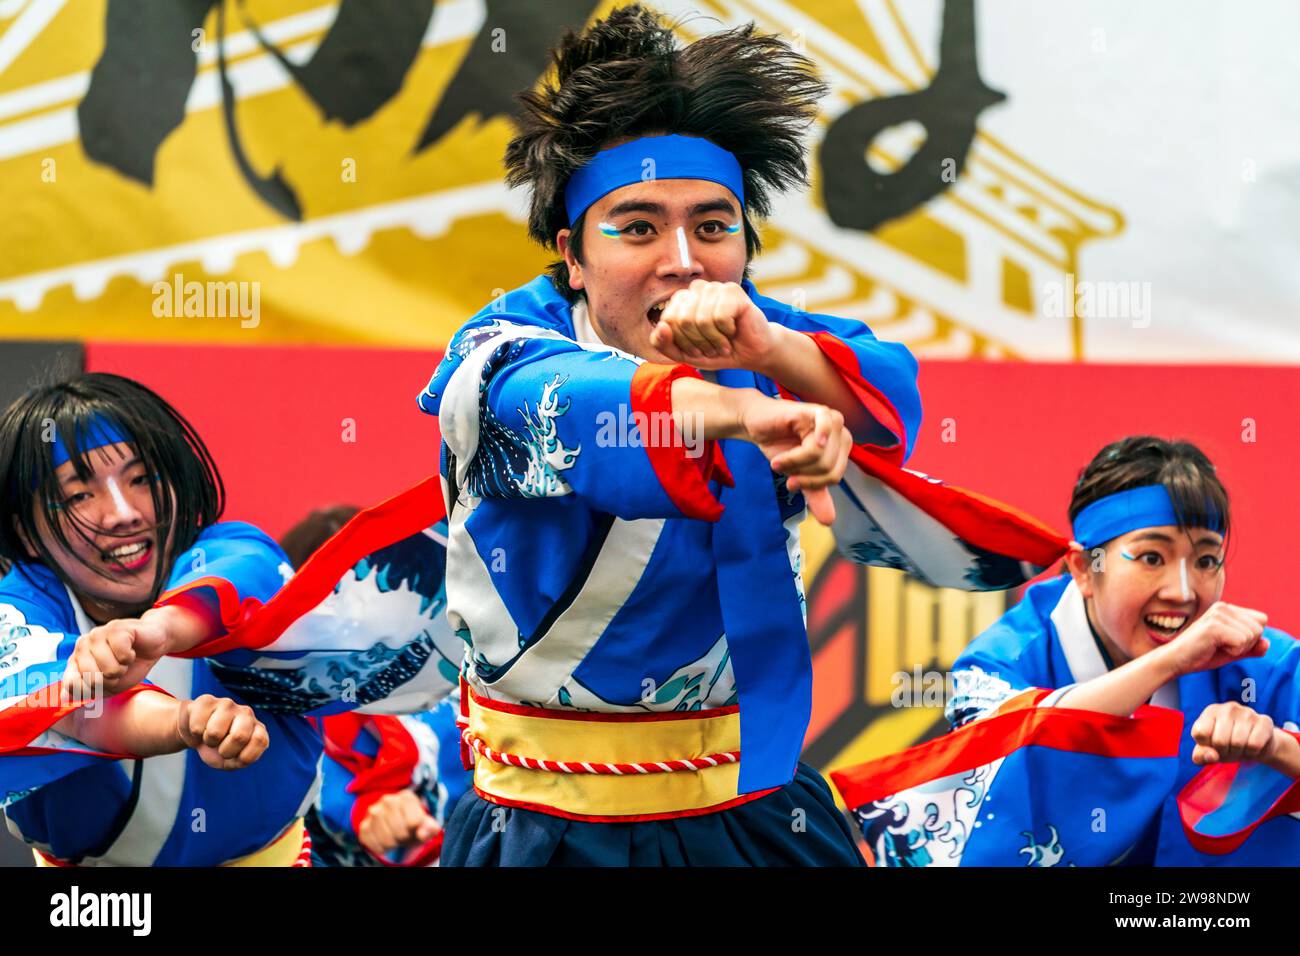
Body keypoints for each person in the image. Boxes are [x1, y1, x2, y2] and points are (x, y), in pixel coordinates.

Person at [417, 4, 1057, 866]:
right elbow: (569, 408)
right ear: (572, 255)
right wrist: (746, 412)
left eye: (713, 227)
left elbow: (888, 394)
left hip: (755, 810)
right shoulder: (502, 351)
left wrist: (776, 361)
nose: (684, 258)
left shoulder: (764, 337)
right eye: (638, 226)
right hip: (550, 828)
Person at [834, 436, 1300, 866]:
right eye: (1152, 558)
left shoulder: (1263, 664)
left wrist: (1278, 751)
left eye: (1206, 561)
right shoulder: (1005, 660)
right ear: (1082, 568)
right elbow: (997, 756)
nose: (1183, 592)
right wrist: (1170, 661)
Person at [0, 373, 320, 866]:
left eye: (142, 479)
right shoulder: (16, 615)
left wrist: (154, 631)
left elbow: (244, 582)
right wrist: (186, 723)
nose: (123, 514)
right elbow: (80, 713)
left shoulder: (233, 552)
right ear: (25, 529)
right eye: (80, 495)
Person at [279, 506, 469, 867]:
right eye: (326, 609)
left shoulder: (463, 685)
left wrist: (383, 803)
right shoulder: (278, 718)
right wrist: (367, 807)